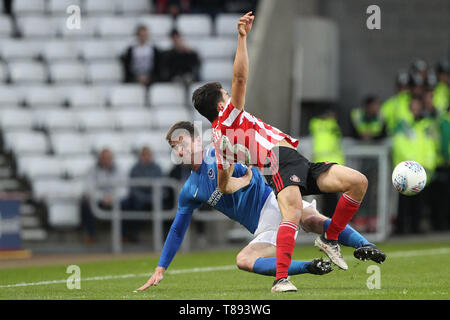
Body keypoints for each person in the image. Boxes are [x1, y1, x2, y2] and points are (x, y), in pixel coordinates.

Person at [191, 12, 370, 292]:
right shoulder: (227, 118)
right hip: (279, 158)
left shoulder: (218, 140)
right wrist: (242, 37)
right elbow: (240, 77)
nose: (230, 97)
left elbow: (223, 185)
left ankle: (330, 239)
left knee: (357, 182)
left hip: (295, 161)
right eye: (225, 95)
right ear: (218, 107)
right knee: (293, 214)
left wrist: (243, 180)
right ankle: (281, 280)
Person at [136, 121, 385, 292]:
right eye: (174, 148)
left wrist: (244, 175)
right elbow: (178, 229)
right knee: (244, 260)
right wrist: (161, 267)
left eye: (182, 142)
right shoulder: (190, 190)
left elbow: (251, 159)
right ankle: (310, 267)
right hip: (263, 225)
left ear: (197, 140)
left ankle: (366, 246)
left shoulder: (220, 152)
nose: (179, 150)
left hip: (273, 198)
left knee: (313, 220)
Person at [80, 148, 127, 243]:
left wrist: (112, 197)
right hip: (98, 200)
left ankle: (123, 235)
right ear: (100, 158)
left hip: (115, 200)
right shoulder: (92, 170)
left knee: (128, 203)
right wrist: (103, 197)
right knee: (85, 203)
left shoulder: (119, 169)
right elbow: (89, 189)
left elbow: (124, 189)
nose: (106, 160)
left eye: (109, 158)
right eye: (104, 158)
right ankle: (90, 235)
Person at [121, 147, 163, 242]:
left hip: (154, 199)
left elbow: (161, 188)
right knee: (131, 205)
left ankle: (164, 237)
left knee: (166, 205)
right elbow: (133, 188)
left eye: (149, 155)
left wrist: (152, 198)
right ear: (141, 156)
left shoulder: (157, 168)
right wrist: (145, 198)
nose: (147, 157)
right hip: (139, 199)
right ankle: (132, 235)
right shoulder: (135, 169)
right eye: (145, 155)